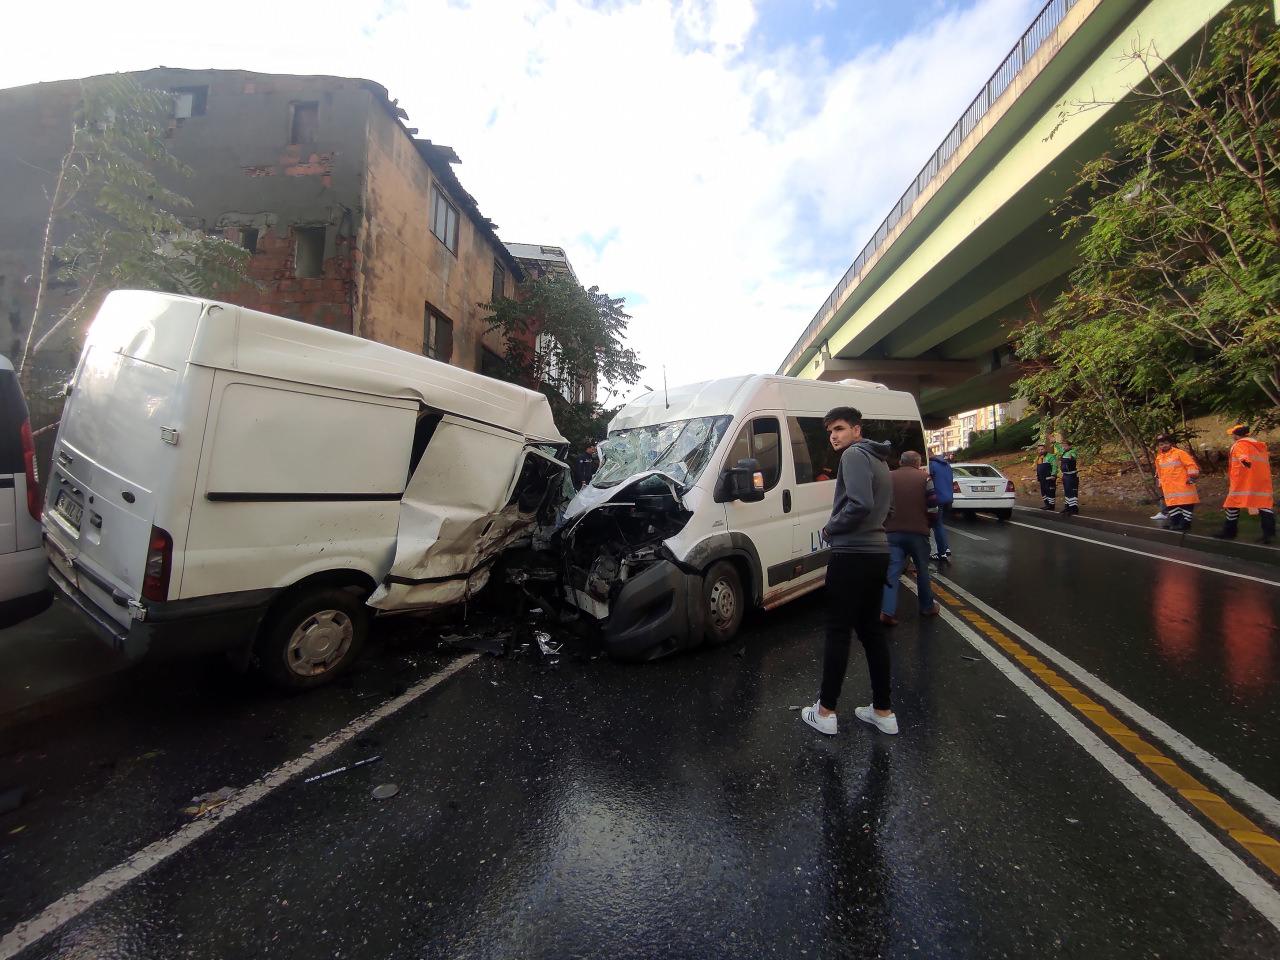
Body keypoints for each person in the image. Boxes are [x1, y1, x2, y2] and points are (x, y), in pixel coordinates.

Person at [801, 406, 897, 738]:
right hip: (878, 553)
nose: (834, 436)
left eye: (839, 429)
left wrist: (831, 529)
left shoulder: (854, 456)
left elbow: (859, 503)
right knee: (871, 631)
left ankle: (825, 711)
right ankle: (883, 711)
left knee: (838, 632)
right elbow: (887, 507)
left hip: (852, 554)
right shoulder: (880, 459)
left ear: (857, 429)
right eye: (830, 432)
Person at [880, 451, 941, 627]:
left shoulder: (888, 477)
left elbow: (881, 503)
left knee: (891, 572)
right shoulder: (925, 478)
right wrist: (928, 525)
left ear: (900, 461)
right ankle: (927, 607)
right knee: (922, 569)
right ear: (918, 462)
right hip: (918, 532)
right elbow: (933, 506)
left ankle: (887, 611)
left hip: (892, 532)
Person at [1214, 424, 1275, 544]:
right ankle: (1269, 535)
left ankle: (1229, 532)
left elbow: (1243, 457)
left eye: (1233, 434)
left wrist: (1245, 462)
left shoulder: (1240, 445)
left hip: (1243, 483)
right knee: (1264, 506)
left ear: (1237, 435)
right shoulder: (1259, 446)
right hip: (1261, 481)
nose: (1232, 436)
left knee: (1232, 506)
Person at [1153, 435, 1200, 531]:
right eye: (1161, 444)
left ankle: (1185, 525)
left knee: (1185, 505)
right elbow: (1159, 472)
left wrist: (1192, 477)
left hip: (1183, 486)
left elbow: (1191, 465)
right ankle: (1175, 523)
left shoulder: (1179, 453)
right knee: (1173, 506)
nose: (1164, 446)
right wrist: (1160, 482)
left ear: (1170, 443)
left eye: (1166, 443)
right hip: (1169, 488)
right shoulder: (1159, 458)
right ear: (1158, 446)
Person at [928, 452, 954, 562]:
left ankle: (941, 552)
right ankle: (946, 548)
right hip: (947, 497)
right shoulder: (946, 464)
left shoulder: (931, 465)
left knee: (936, 525)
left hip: (936, 497)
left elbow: (928, 481)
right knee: (940, 524)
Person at [1057, 438, 1080, 515]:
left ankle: (1074, 509)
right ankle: (1067, 507)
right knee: (1067, 492)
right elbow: (1059, 448)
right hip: (1065, 475)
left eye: (1065, 446)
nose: (1064, 447)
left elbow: (1074, 456)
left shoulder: (1072, 451)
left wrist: (1072, 458)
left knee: (1072, 492)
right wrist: (1054, 442)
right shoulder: (1064, 452)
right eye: (1063, 446)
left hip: (1072, 475)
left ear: (1070, 446)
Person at [1035, 444, 1058, 510]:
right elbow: (1038, 468)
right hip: (1042, 478)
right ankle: (1047, 504)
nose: (1040, 451)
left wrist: (1053, 475)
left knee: (1050, 491)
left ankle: (1051, 506)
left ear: (1045, 449)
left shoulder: (1051, 456)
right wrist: (1037, 475)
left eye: (1042, 449)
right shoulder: (1039, 458)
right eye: (1039, 450)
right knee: (1043, 492)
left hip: (1049, 478)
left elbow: (1054, 466)